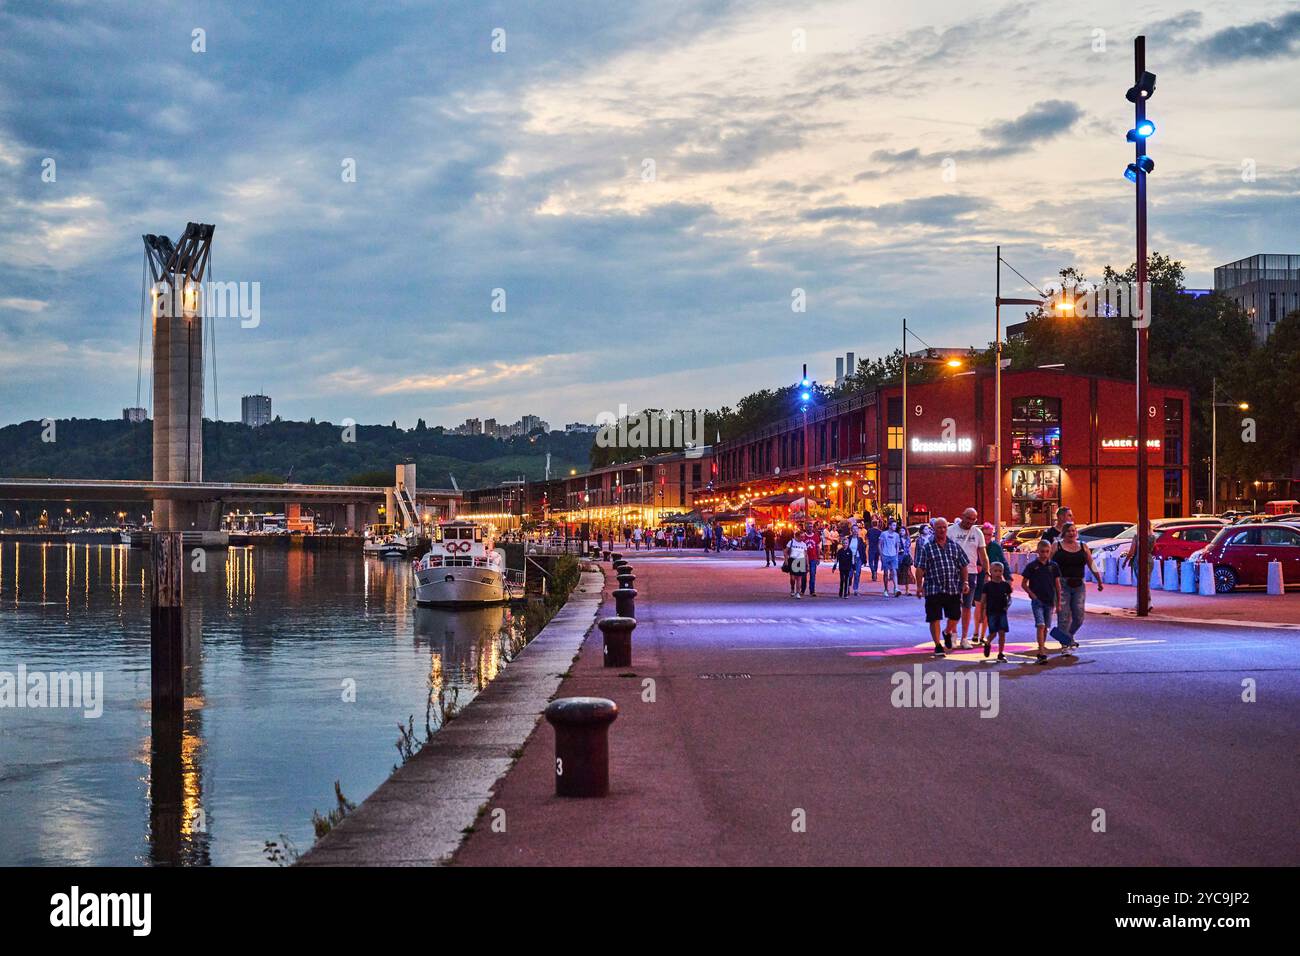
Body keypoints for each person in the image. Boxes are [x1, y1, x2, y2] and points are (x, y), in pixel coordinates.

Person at [913, 517, 970, 656]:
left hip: (952, 587)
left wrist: (965, 582)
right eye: (939, 527)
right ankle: (938, 645)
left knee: (955, 615)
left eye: (944, 527)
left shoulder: (954, 546)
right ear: (934, 529)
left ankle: (947, 632)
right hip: (934, 588)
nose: (942, 530)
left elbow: (963, 565)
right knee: (934, 617)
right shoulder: (927, 548)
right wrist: (919, 586)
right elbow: (920, 568)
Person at [1054, 522, 1102, 645]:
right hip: (1061, 583)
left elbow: (1091, 563)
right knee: (1063, 616)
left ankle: (1067, 636)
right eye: (1069, 531)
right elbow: (1048, 564)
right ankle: (1065, 644)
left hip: (1078, 584)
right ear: (1064, 533)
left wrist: (1099, 580)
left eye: (1074, 531)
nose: (1072, 533)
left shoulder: (1083, 546)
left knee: (1079, 617)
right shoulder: (1057, 546)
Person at [948, 508, 989, 650]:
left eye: (973, 520)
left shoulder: (977, 533)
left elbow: (983, 555)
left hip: (971, 573)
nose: (970, 522)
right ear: (962, 516)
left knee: (967, 606)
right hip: (953, 573)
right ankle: (953, 635)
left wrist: (987, 572)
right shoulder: (951, 531)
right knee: (953, 605)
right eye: (968, 518)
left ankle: (964, 638)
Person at [1021, 538, 1064, 665]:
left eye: (1047, 551)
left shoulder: (1053, 566)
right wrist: (1032, 595)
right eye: (1042, 551)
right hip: (1037, 601)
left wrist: (1058, 602)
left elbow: (1057, 585)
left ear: (1050, 551)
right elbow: (1024, 583)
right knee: (1040, 625)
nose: (1044, 554)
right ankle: (1041, 650)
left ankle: (1042, 648)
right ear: (1037, 551)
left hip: (1049, 601)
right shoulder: (1032, 566)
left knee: (1046, 627)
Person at [979, 561, 1013, 662]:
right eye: (996, 571)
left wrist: (1008, 605)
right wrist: (982, 614)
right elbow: (983, 601)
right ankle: (988, 642)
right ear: (991, 572)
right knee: (993, 632)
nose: (998, 573)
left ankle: (1001, 653)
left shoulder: (1005, 585)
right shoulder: (987, 586)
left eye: (1000, 571)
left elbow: (1009, 597)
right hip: (991, 612)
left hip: (1002, 611)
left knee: (1002, 632)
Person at [879, 520, 901, 596]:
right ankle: (886, 589)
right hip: (885, 555)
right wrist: (881, 555)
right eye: (894, 525)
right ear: (889, 526)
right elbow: (879, 544)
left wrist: (896, 555)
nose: (895, 527)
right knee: (885, 573)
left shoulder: (896, 535)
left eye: (895, 525)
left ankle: (896, 588)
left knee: (894, 571)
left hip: (893, 555)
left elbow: (897, 545)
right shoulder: (883, 534)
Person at [785, 531, 808, 598]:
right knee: (792, 578)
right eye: (801, 536)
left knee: (799, 578)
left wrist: (807, 564)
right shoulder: (791, 542)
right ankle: (792, 588)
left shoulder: (804, 544)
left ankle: (798, 592)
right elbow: (786, 551)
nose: (803, 538)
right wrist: (786, 560)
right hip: (793, 560)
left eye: (804, 536)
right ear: (797, 536)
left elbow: (806, 554)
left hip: (801, 560)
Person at [897, 523, 915, 596]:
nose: (901, 532)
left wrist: (911, 557)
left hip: (906, 557)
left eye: (903, 531)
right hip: (899, 558)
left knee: (907, 573)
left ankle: (907, 590)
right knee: (898, 573)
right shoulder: (897, 539)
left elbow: (909, 549)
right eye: (900, 531)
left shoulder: (908, 539)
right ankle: (897, 589)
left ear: (905, 532)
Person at [805, 531, 820, 597]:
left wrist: (818, 557)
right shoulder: (803, 536)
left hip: (813, 558)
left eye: (811, 526)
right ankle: (802, 590)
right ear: (805, 526)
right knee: (803, 575)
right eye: (808, 526)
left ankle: (812, 591)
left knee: (813, 574)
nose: (810, 528)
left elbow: (818, 547)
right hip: (804, 558)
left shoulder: (816, 536)